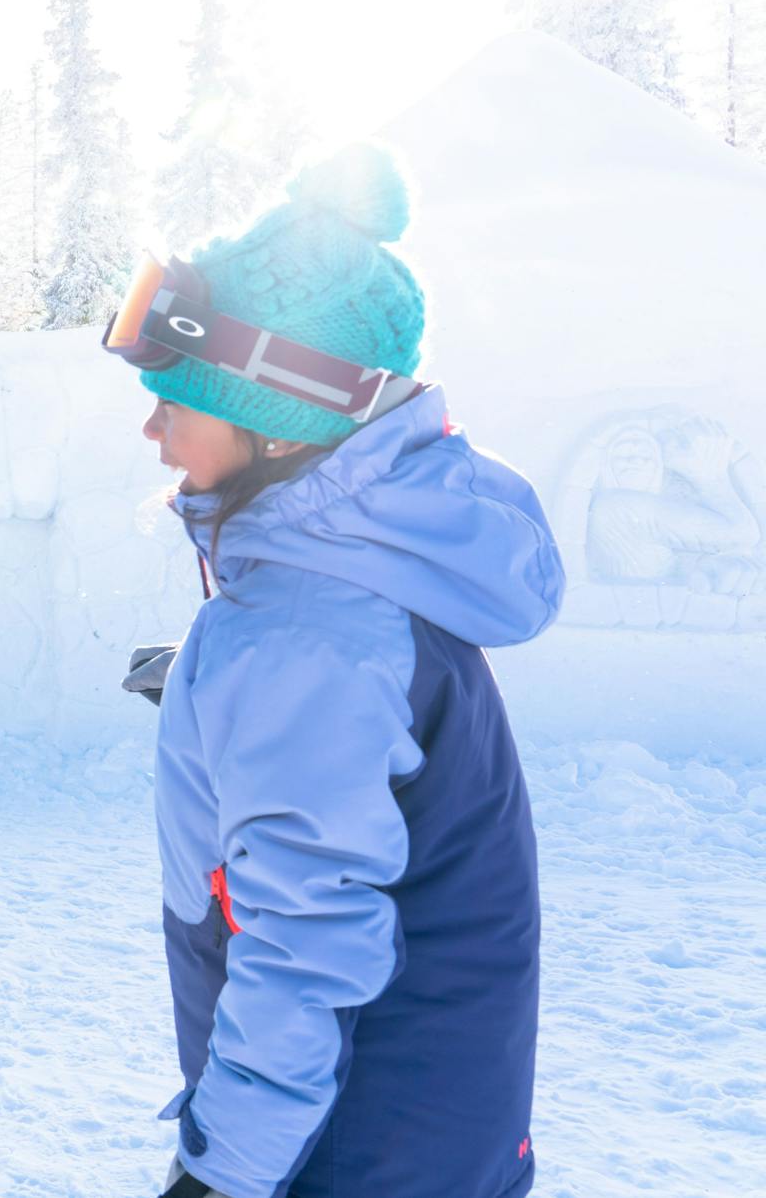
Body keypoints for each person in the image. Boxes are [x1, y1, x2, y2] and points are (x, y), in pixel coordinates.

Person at [101, 145, 564, 1198]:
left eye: (174, 400)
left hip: (344, 1149)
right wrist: (208, 689)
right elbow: (356, 733)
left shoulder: (303, 640)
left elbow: (306, 951)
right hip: (433, 1124)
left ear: (275, 417)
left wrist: (219, 1174)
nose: (150, 427)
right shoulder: (356, 583)